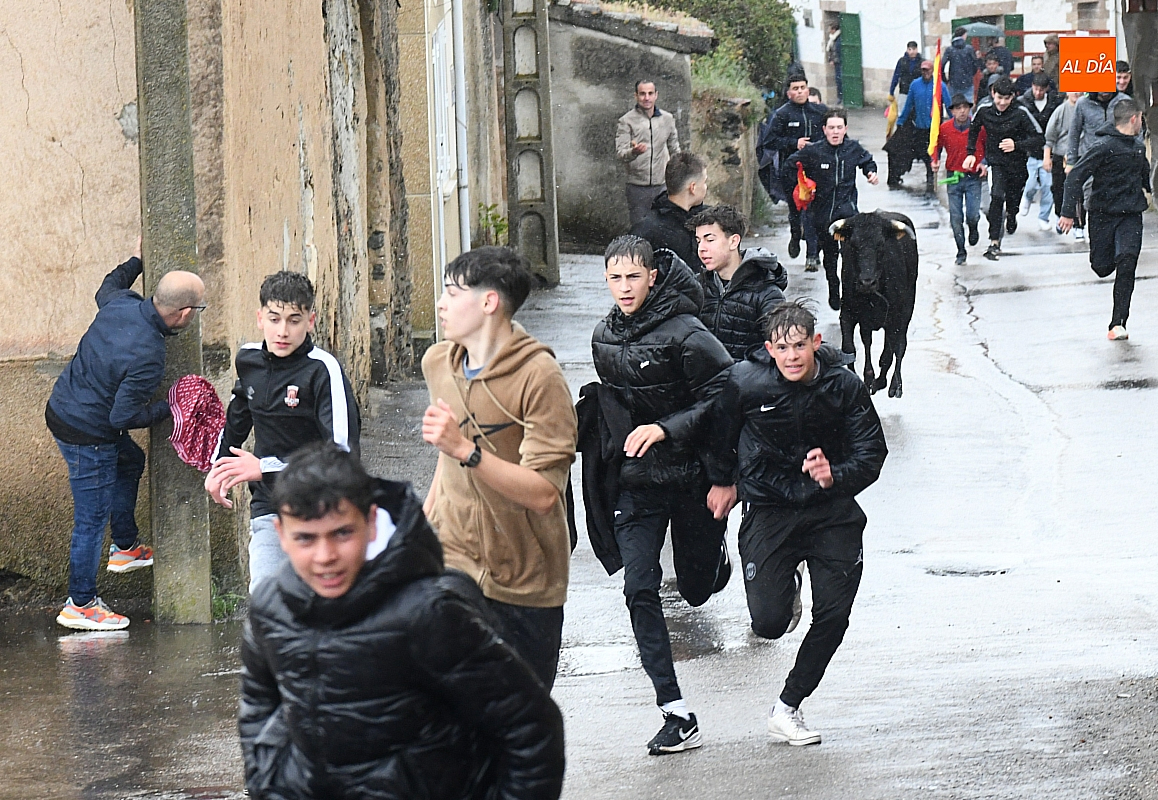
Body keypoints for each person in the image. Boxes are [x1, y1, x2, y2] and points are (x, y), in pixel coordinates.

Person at [238, 441, 565, 800]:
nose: (325, 556)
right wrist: (270, 783)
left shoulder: (428, 614)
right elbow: (258, 707)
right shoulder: (270, 609)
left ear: (371, 523)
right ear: (281, 534)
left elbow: (530, 725)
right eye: (305, 538)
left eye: (342, 533)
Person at [706, 300, 887, 746]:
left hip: (831, 512)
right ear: (769, 349)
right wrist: (723, 482)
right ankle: (787, 589)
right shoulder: (745, 382)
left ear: (816, 343)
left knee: (834, 614)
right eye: (783, 348)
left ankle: (787, 708)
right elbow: (717, 437)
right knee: (768, 623)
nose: (792, 357)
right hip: (771, 509)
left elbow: (872, 452)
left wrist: (835, 475)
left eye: (800, 346)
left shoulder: (844, 385)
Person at [592, 235, 734, 755]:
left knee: (695, 591)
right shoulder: (603, 336)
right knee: (639, 588)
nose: (624, 287)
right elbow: (614, 406)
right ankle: (675, 711)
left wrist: (667, 430)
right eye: (615, 278)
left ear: (652, 277)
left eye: (633, 276)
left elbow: (726, 396)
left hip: (693, 479)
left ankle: (718, 561)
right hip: (638, 484)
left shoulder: (688, 333)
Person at [421, 246, 577, 689]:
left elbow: (544, 493)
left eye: (452, 293)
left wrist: (466, 450)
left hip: (527, 576)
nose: (440, 304)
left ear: (489, 302)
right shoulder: (438, 363)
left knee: (522, 715)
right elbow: (446, 459)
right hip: (454, 559)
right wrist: (422, 526)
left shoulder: (540, 377)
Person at [47, 241, 205, 630]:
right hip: (88, 434)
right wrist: (172, 406)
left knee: (132, 460)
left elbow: (107, 284)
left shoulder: (120, 303)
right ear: (184, 313)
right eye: (197, 309)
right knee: (90, 518)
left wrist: (137, 260)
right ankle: (81, 604)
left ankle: (125, 547)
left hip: (64, 409)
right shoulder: (150, 354)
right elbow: (123, 415)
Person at [206, 271, 360, 591]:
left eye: (294, 320)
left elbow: (342, 456)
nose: (283, 331)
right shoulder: (248, 360)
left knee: (319, 603)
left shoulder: (323, 370)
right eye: (274, 319)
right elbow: (235, 423)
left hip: (321, 510)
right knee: (266, 598)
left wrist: (264, 467)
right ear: (260, 318)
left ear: (311, 321)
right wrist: (217, 469)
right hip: (270, 508)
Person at [1059, 99, 1150, 341]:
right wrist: (1068, 212)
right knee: (1101, 267)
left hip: (1131, 214)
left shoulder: (1138, 146)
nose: (1142, 123)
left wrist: (1149, 188)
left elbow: (1145, 173)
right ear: (1134, 119)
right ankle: (1111, 260)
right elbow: (1075, 177)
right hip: (1103, 214)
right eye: (1141, 118)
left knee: (1128, 261)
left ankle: (1118, 323)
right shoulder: (1103, 146)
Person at [785, 108, 879, 310]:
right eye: (831, 128)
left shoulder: (853, 148)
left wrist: (871, 173)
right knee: (830, 258)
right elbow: (790, 165)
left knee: (851, 255)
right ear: (824, 130)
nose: (835, 132)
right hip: (823, 216)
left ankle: (851, 293)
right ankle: (833, 287)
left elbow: (867, 161)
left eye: (839, 127)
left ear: (845, 129)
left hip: (848, 215)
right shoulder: (814, 151)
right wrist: (803, 184)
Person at [687, 204, 787, 360]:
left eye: (710, 240)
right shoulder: (696, 286)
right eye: (699, 241)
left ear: (733, 241)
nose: (701, 248)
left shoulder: (766, 293)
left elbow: (780, 347)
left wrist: (743, 369)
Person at [963, 77, 1044, 261]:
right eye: (999, 98)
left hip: (1018, 164)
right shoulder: (984, 110)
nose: (1002, 103)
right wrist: (970, 153)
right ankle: (994, 241)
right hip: (996, 162)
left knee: (1013, 199)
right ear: (993, 94)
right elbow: (973, 129)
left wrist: (1017, 144)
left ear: (1012, 97)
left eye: (1006, 99)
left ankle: (1012, 214)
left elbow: (1039, 138)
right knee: (997, 196)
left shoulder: (1021, 112)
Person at [758, 72, 828, 268]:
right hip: (791, 171)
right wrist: (794, 143)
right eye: (795, 89)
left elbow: (832, 132)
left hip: (815, 170)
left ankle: (812, 255)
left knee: (812, 210)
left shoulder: (819, 111)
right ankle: (796, 234)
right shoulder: (782, 114)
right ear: (789, 93)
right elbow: (769, 141)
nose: (800, 92)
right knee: (796, 210)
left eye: (803, 88)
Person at [932, 94, 988, 265]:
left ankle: (973, 227)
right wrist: (935, 160)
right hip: (953, 176)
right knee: (955, 217)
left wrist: (984, 163)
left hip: (973, 177)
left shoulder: (979, 128)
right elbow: (936, 145)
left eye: (965, 107)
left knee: (973, 214)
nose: (962, 111)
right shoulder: (944, 128)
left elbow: (988, 147)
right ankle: (961, 251)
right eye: (958, 108)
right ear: (952, 111)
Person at [617, 79, 682, 227]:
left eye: (650, 93)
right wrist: (634, 152)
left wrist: (680, 173)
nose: (647, 98)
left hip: (662, 185)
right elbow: (621, 153)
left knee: (665, 226)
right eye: (642, 94)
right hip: (637, 186)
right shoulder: (626, 121)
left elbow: (675, 149)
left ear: (656, 95)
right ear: (636, 96)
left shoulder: (667, 119)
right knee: (640, 227)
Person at [631, 151, 708, 270]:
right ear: (692, 187)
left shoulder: (710, 219)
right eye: (704, 182)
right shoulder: (649, 230)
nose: (706, 187)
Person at [887, 60, 951, 189]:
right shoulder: (915, 85)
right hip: (919, 127)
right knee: (916, 151)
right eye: (923, 70)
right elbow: (908, 105)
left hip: (934, 129)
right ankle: (898, 175)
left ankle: (930, 176)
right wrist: (900, 121)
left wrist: (954, 120)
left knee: (932, 154)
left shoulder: (940, 86)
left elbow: (949, 105)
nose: (925, 72)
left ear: (932, 70)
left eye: (928, 70)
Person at [1017, 73, 1064, 231]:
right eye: (1036, 89)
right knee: (1030, 182)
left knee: (1048, 186)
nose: (1038, 93)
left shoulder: (1054, 103)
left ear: (1047, 89)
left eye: (1041, 90)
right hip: (1030, 150)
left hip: (1049, 148)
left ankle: (1044, 216)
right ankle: (1027, 197)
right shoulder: (1023, 102)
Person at [1045, 92, 1085, 238]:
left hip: (1081, 155)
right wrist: (1046, 157)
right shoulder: (1060, 111)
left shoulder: (1087, 108)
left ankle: (1079, 224)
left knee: (1079, 192)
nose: (1076, 92)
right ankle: (1059, 215)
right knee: (1058, 189)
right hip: (1060, 155)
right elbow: (1050, 136)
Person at [944, 28, 979, 104]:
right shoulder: (969, 49)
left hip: (954, 82)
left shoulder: (949, 49)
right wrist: (970, 74)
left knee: (953, 104)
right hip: (967, 82)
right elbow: (975, 64)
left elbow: (942, 64)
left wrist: (945, 80)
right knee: (968, 104)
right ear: (964, 35)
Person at [889, 41, 924, 108]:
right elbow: (896, 76)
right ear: (907, 50)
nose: (912, 52)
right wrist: (891, 91)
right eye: (910, 49)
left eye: (914, 49)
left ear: (917, 49)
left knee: (918, 111)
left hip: (918, 92)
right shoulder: (902, 61)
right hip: (904, 91)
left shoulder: (922, 62)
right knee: (902, 111)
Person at [826, 23, 843, 103]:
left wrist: (834, 59)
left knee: (840, 79)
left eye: (830, 29)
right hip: (836, 62)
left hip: (839, 62)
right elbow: (831, 50)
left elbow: (837, 51)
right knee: (838, 79)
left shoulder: (838, 39)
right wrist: (831, 59)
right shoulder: (833, 38)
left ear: (834, 30)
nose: (829, 31)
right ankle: (840, 97)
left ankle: (841, 97)